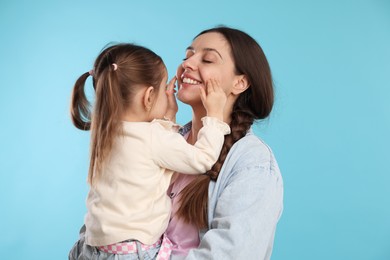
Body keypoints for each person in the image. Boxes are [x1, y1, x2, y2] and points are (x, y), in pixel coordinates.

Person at [68, 43, 231, 260]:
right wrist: (215, 115)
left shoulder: (106, 132)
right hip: (132, 252)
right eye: (165, 90)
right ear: (148, 97)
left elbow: (149, 155)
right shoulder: (154, 137)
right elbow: (202, 159)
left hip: (90, 248)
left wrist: (167, 116)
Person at [166, 26, 284, 260]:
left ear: (240, 83)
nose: (188, 64)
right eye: (187, 56)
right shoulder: (166, 141)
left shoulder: (253, 162)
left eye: (208, 59)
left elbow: (231, 254)